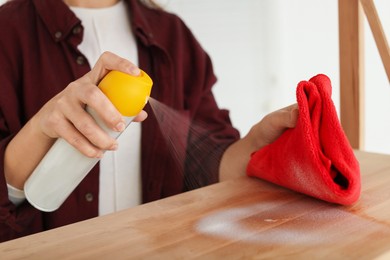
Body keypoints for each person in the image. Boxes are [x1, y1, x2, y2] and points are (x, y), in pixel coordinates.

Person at [0, 0, 298, 242]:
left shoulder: (173, 35)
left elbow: (205, 165)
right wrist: (41, 129)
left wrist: (255, 147)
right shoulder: (8, 31)